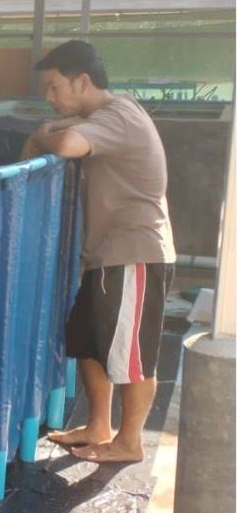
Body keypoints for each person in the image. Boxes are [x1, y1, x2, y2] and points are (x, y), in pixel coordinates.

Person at [22, 39, 176, 464]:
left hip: (134, 251)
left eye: (54, 87)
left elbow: (68, 144)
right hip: (105, 254)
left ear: (83, 82)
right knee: (87, 340)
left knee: (131, 352)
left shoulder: (118, 116)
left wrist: (39, 137)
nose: (50, 97)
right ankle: (98, 426)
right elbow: (66, 132)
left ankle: (130, 442)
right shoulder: (105, 114)